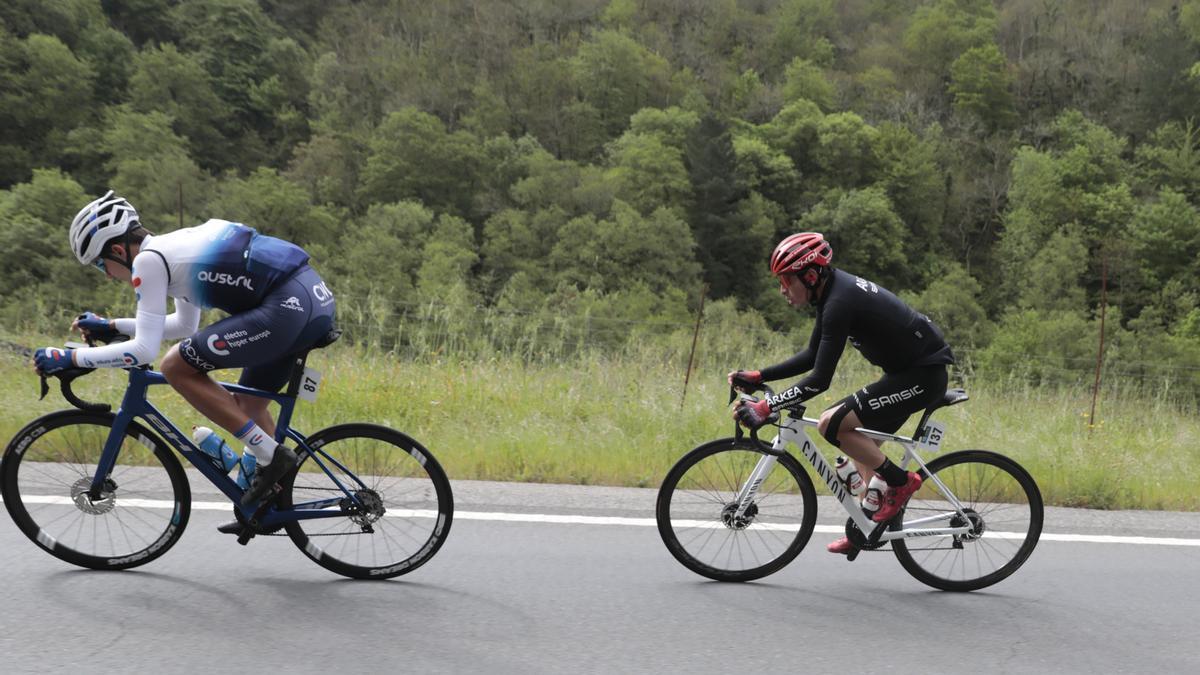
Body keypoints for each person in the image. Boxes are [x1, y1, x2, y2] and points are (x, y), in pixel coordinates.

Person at [32, 190, 336, 519]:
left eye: (100, 264)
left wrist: (70, 359)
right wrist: (113, 325)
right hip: (308, 299)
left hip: (286, 307)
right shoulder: (173, 250)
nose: (106, 274)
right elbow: (183, 325)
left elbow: (144, 351)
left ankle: (271, 456)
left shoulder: (148, 262)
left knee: (175, 367)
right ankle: (271, 501)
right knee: (248, 405)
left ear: (118, 251)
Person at [728, 232, 954, 555]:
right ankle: (867, 527)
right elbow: (810, 356)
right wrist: (760, 376)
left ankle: (901, 483)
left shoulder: (839, 301)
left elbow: (820, 379)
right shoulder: (831, 293)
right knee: (856, 447)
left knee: (831, 424)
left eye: (785, 281)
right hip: (907, 375)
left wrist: (766, 407)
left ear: (809, 275)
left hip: (923, 377)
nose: (782, 290)